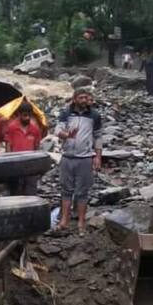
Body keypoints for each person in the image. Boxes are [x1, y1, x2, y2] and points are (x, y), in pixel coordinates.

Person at [55, 88, 102, 236]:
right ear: (74, 99)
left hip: (85, 158)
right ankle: (64, 220)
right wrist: (67, 135)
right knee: (66, 190)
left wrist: (98, 156)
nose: (84, 100)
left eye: (86, 98)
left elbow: (98, 137)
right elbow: (58, 131)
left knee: (82, 192)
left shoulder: (94, 115)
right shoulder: (66, 113)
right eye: (81, 98)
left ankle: (81, 223)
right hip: (67, 156)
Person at [4, 101, 43, 195]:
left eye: (29, 115)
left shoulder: (35, 129)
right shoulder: (12, 127)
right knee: (16, 193)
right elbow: (8, 145)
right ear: (19, 114)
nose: (27, 118)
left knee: (31, 193)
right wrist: (9, 162)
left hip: (30, 166)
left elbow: (37, 146)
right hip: (15, 164)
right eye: (25, 115)